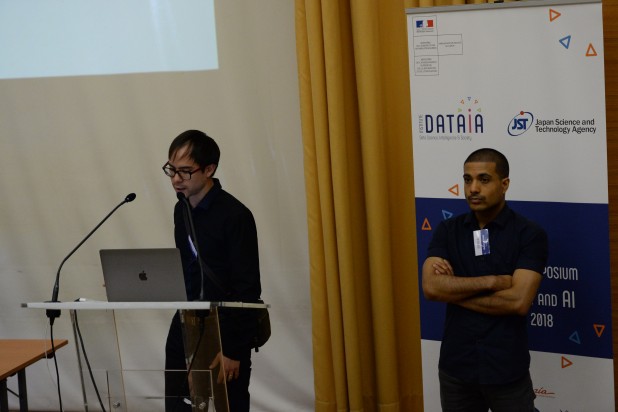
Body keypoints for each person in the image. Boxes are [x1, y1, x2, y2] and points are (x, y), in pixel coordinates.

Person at [422, 148, 548, 412]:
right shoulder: (448, 230)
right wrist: (491, 282)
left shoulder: (529, 234)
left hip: (506, 369)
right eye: (468, 179)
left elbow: (517, 302)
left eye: (484, 179)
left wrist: (454, 292)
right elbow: (431, 287)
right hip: (457, 369)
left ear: (505, 184)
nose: (473, 188)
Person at [163, 130, 262, 412]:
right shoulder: (181, 210)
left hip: (225, 327)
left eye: (185, 171)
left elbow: (247, 288)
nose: (176, 179)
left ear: (209, 170)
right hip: (186, 323)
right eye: (171, 170)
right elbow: (188, 269)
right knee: (178, 404)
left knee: (228, 404)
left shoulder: (235, 215)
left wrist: (233, 349)